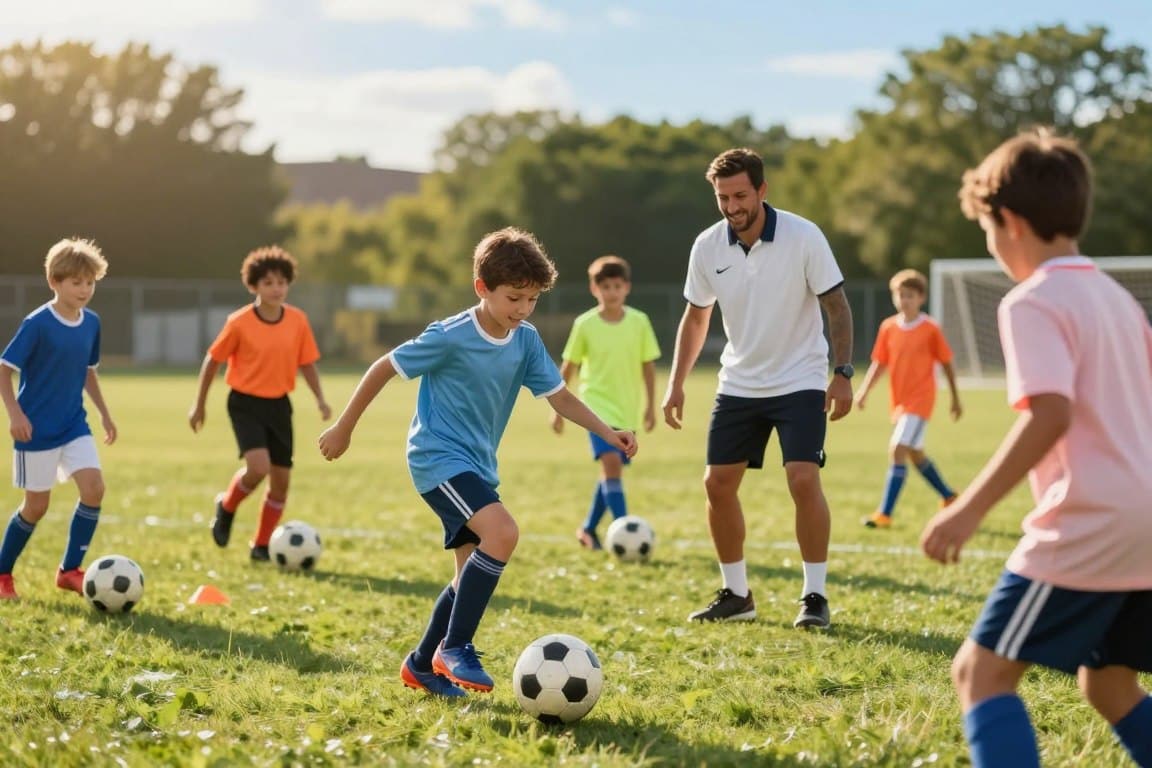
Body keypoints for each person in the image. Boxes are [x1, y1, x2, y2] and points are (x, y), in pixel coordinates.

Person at [318, 227, 637, 698]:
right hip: (436, 459)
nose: (524, 309)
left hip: (476, 466)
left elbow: (561, 397)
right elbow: (385, 366)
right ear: (481, 288)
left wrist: (609, 432)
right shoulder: (450, 336)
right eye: (514, 298)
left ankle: (421, 665)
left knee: (467, 574)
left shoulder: (525, 340)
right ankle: (457, 646)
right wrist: (344, 427)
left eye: (532, 299)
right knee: (503, 533)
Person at [921, 130, 1152, 768]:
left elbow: (1050, 414)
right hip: (1146, 521)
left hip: (1090, 520)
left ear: (1011, 223)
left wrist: (967, 508)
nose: (990, 247)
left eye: (987, 230)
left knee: (980, 675)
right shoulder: (1118, 299)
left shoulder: (1033, 301)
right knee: (1108, 684)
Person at [662, 147, 854, 629]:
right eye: (723, 197)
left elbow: (837, 307)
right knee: (717, 484)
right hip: (740, 382)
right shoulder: (707, 246)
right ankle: (737, 594)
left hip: (800, 378)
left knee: (803, 479)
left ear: (762, 191)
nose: (732, 206)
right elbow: (696, 316)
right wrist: (677, 384)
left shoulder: (804, 236)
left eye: (740, 195)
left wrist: (843, 372)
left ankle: (814, 596)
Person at [189, 246, 331, 561]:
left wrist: (320, 399)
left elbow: (306, 363)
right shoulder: (239, 322)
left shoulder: (297, 320)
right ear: (254, 286)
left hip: (279, 405)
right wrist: (199, 405)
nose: (276, 288)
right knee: (258, 468)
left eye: (281, 282)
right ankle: (226, 506)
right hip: (244, 403)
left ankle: (261, 545)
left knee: (281, 484)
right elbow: (213, 361)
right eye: (268, 283)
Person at [0, 238, 117, 600]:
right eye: (75, 282)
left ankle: (69, 571)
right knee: (37, 506)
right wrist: (15, 415)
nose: (84, 290)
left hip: (73, 424)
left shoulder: (91, 323)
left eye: (89, 282)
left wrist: (104, 414)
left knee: (94, 489)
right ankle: (3, 572)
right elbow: (4, 369)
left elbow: (88, 371)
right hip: (35, 428)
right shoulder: (37, 323)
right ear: (54, 281)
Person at [552, 254, 660, 550]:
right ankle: (626, 530)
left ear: (626, 287)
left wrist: (651, 406)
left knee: (610, 472)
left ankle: (588, 529)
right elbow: (569, 365)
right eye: (605, 286)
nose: (611, 292)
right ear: (594, 289)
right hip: (594, 408)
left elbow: (648, 366)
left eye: (616, 286)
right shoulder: (584, 324)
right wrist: (558, 410)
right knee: (611, 465)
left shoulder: (640, 322)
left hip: (627, 409)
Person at [854, 268, 962, 529]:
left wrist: (955, 399)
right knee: (916, 455)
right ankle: (949, 497)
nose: (904, 300)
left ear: (921, 297)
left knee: (898, 449)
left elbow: (946, 363)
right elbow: (879, 363)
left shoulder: (930, 329)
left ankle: (885, 514)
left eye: (910, 295)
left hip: (921, 400)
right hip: (900, 403)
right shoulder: (888, 328)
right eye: (900, 295)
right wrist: (864, 391)